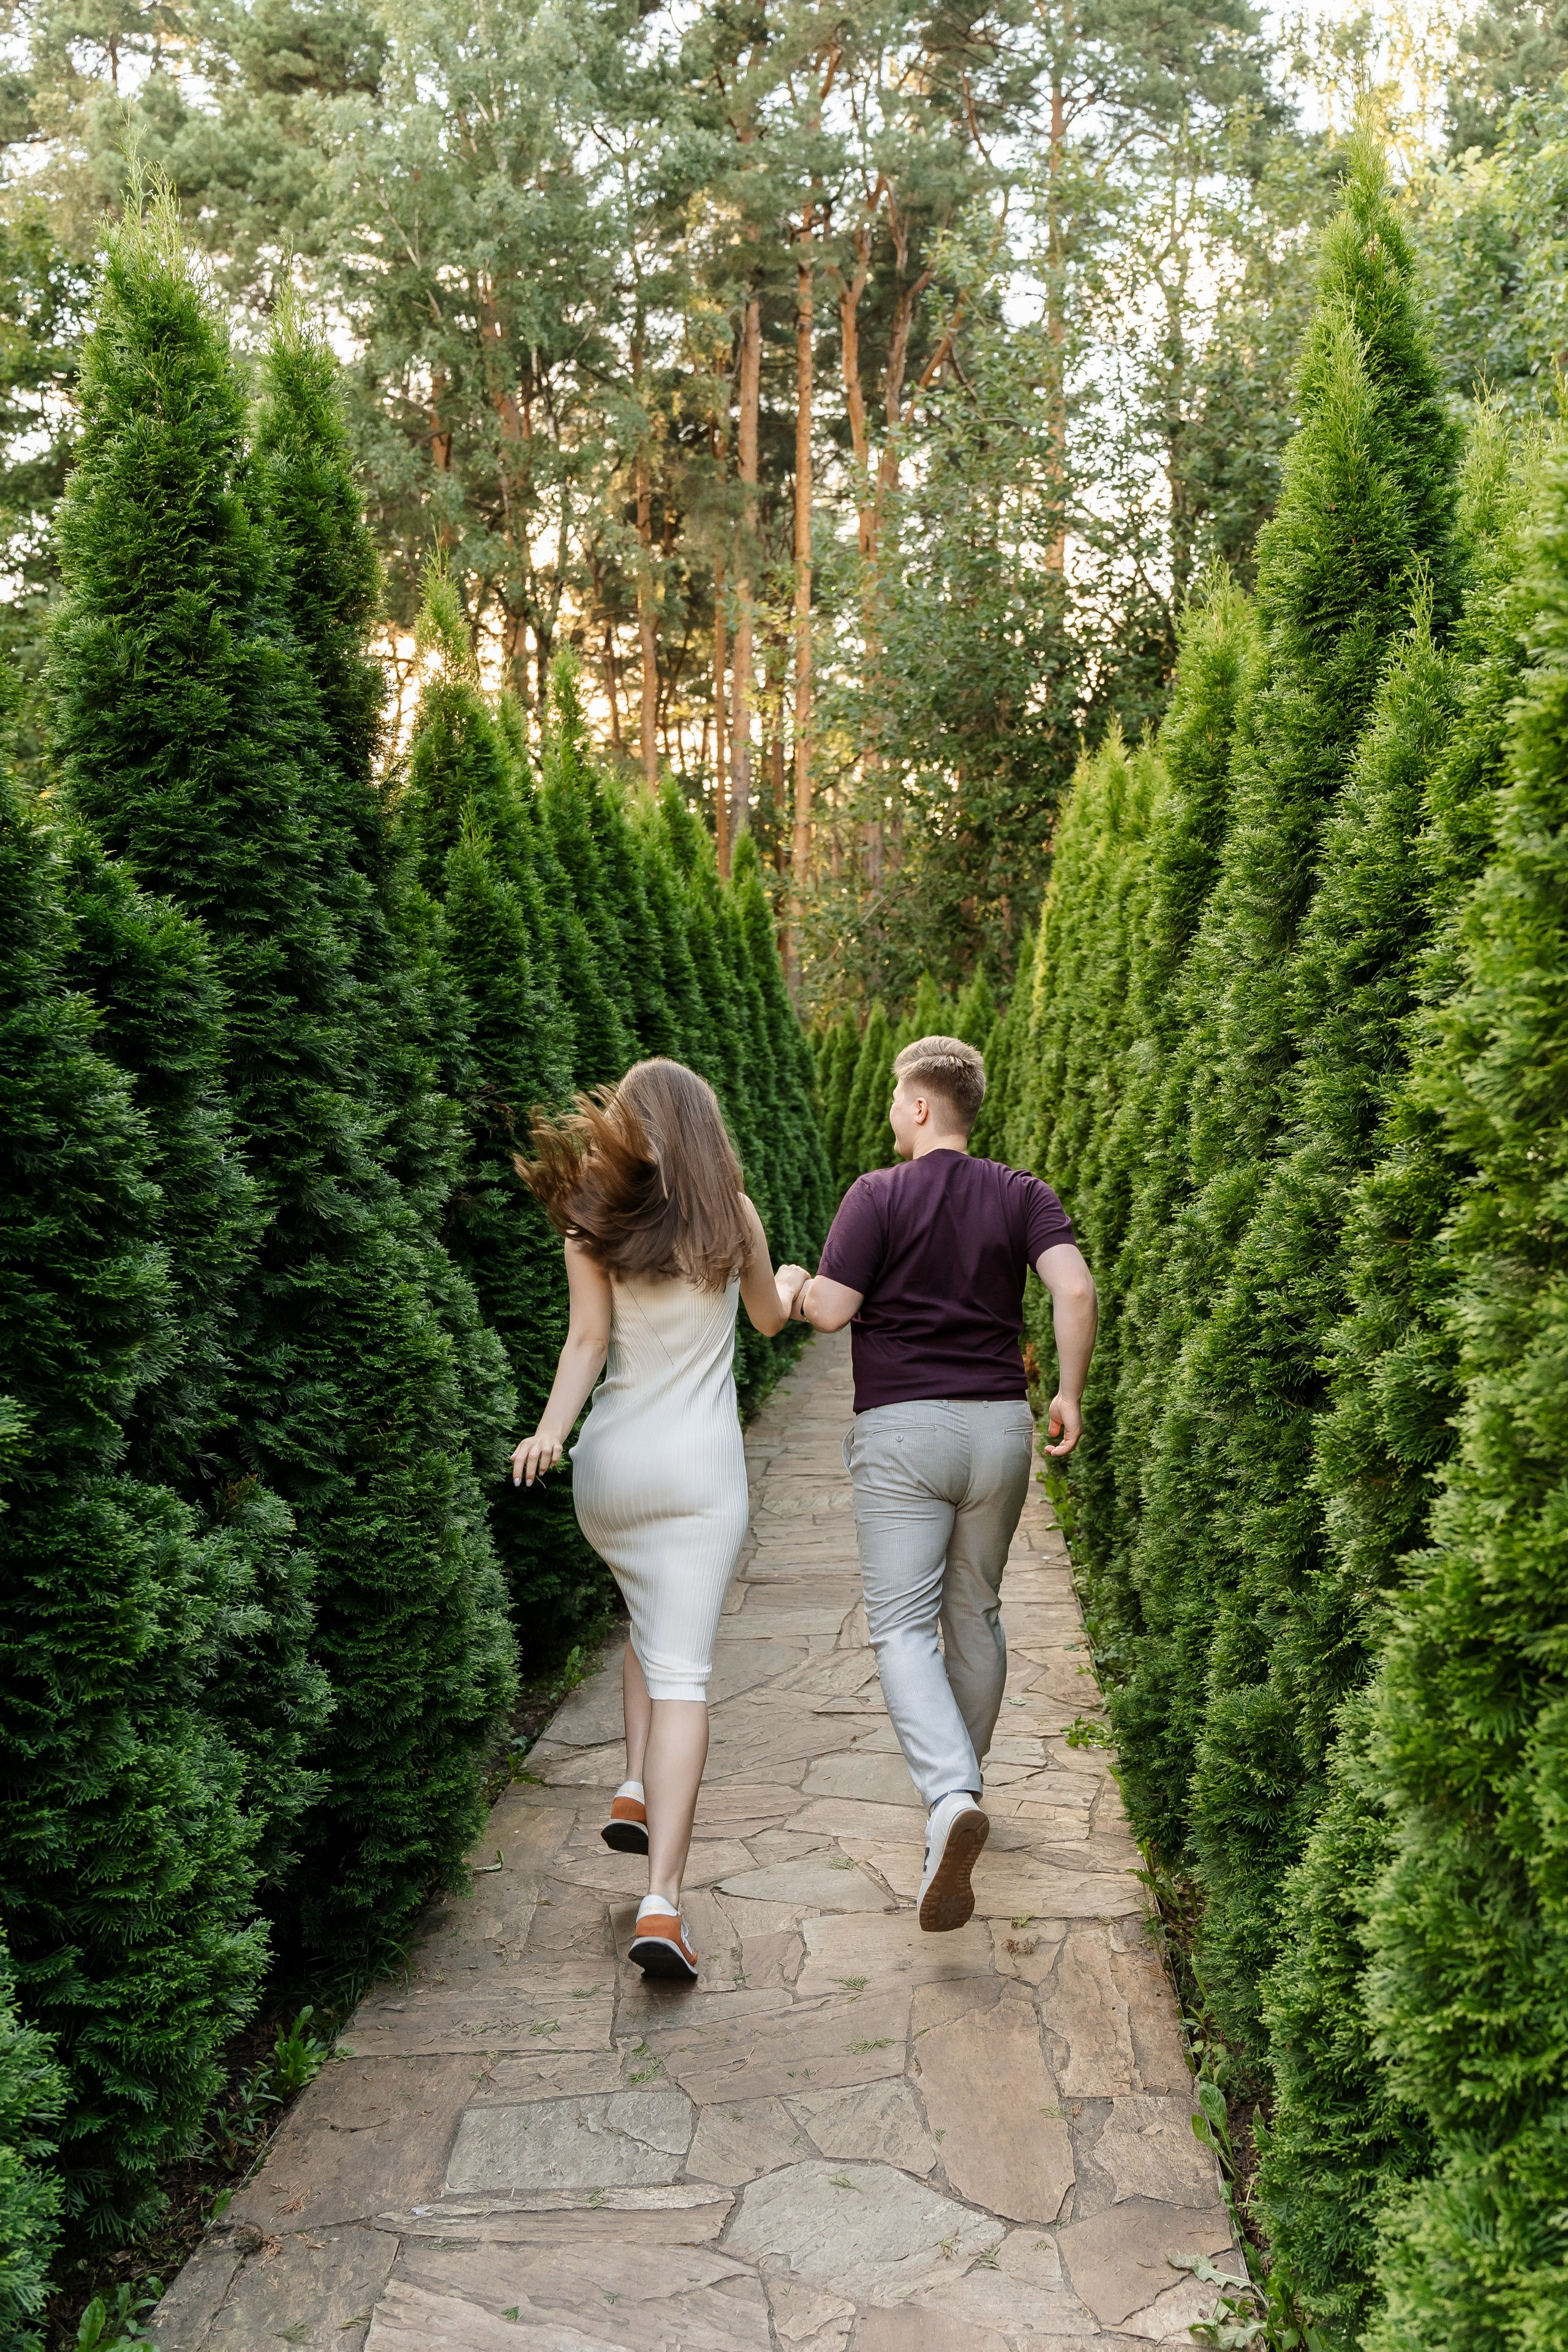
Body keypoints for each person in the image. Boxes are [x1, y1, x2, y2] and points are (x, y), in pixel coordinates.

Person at [777, 1034, 1097, 1934]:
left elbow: (834, 1312)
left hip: (903, 1435)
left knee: (903, 1628)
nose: (889, 1114)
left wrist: (797, 1285)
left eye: (893, 1099)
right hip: (999, 1429)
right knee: (977, 1613)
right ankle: (958, 1796)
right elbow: (1073, 1293)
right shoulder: (1023, 1193)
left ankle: (950, 1794)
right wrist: (1068, 1393)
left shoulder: (875, 1195)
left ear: (921, 1106)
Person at [511, 1058, 801, 1981]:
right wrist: (789, 1279)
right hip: (698, 1478)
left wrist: (550, 1431)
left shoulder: (592, 1216)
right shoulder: (736, 1218)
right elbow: (767, 1322)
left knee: (647, 1622)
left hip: (612, 1471)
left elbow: (586, 1341)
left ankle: (633, 1786)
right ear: (709, 1129)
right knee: (683, 1672)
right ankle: (664, 1904)